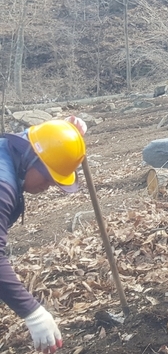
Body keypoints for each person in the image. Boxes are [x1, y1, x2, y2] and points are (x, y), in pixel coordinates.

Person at [1, 118, 87, 354]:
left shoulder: (17, 148)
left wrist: (67, 129)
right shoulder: (2, 186)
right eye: (48, 176)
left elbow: (34, 138)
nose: (49, 185)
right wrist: (33, 312)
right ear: (31, 160)